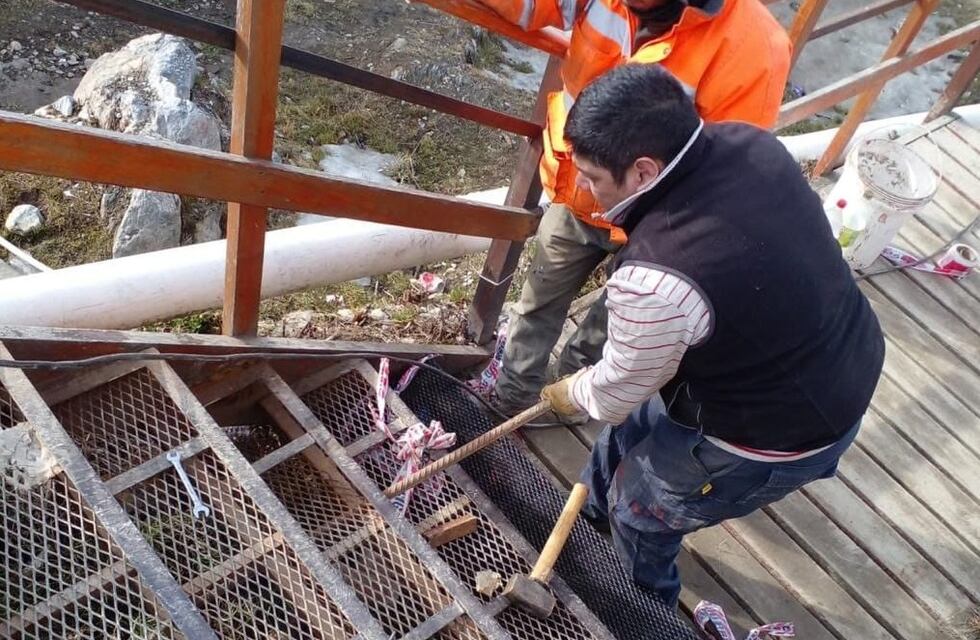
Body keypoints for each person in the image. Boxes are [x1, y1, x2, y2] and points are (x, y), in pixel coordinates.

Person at [539, 64, 885, 607]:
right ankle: (591, 513)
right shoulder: (752, 145)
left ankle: (643, 605)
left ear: (643, 171)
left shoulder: (657, 279)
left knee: (642, 511)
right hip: (833, 348)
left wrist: (569, 391)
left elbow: (613, 395)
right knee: (625, 440)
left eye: (592, 176)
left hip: (777, 429)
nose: (582, 186)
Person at [478, 0, 793, 417]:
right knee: (538, 300)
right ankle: (511, 402)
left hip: (654, 223)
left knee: (613, 325)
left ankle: (564, 406)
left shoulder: (755, 46)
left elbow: (727, 165)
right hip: (577, 192)